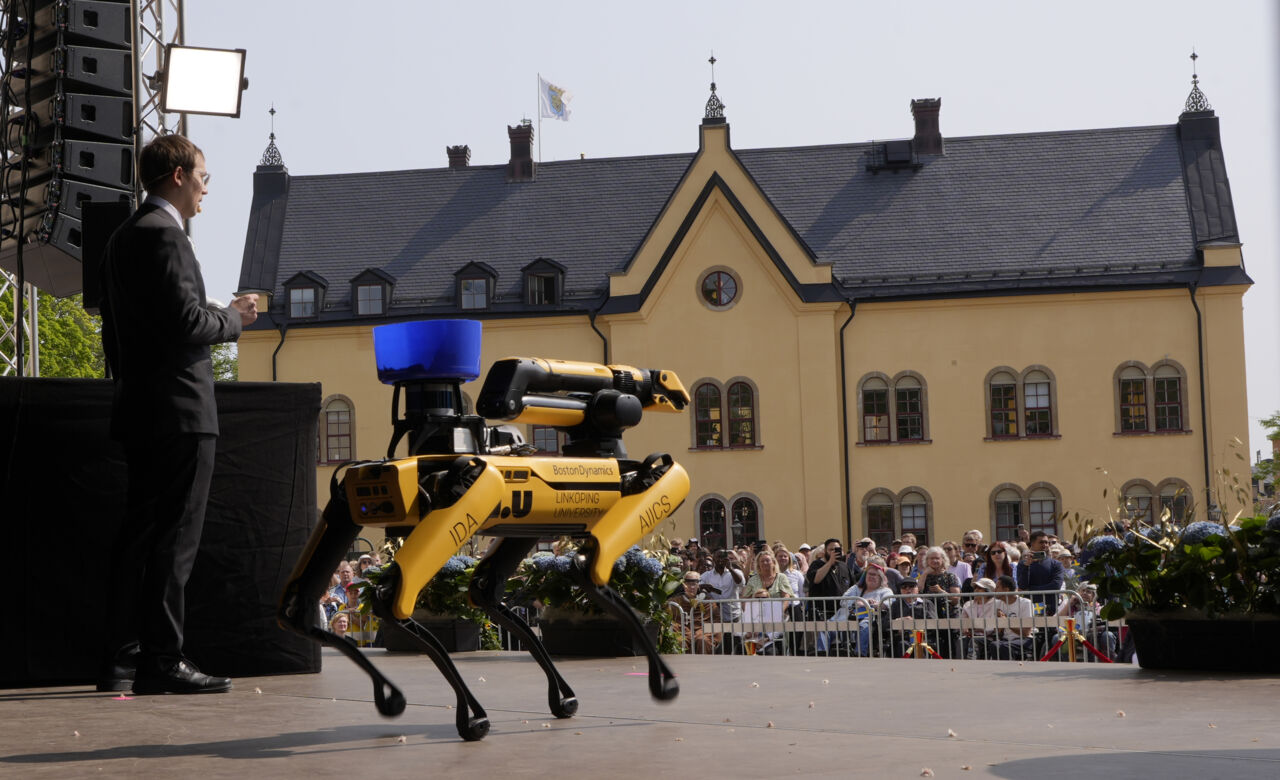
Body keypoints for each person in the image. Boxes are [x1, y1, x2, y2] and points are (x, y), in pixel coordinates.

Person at [98, 134, 257, 696]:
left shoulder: (122, 239)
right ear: (178, 176)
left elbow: (115, 334)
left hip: (140, 408)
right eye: (204, 177)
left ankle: (120, 658)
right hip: (182, 413)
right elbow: (187, 324)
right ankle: (163, 659)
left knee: (139, 537)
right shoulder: (166, 237)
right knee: (175, 540)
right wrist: (234, 319)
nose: (207, 189)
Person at [840, 564, 892, 656]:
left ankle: (860, 653)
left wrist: (867, 604)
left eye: (874, 575)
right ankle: (823, 652)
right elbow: (843, 601)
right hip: (852, 616)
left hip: (873, 619)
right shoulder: (856, 588)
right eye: (869, 574)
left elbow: (887, 604)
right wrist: (856, 602)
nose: (871, 577)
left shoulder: (885, 591)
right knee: (831, 623)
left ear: (880, 578)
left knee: (864, 626)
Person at [984, 575, 1038, 660]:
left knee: (1004, 647)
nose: (994, 590)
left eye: (997, 587)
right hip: (1006, 639)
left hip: (1024, 639)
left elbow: (1026, 632)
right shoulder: (997, 604)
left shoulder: (1026, 603)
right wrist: (999, 622)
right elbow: (998, 632)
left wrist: (1006, 622)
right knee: (994, 645)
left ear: (1006, 590)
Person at [1016, 530, 1066, 615]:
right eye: (1041, 542)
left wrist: (1031, 590)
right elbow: (1022, 585)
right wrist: (1027, 566)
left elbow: (1056, 585)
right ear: (1032, 544)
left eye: (1047, 542)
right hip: (1030, 607)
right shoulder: (1023, 564)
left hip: (1050, 607)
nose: (1045, 545)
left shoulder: (1056, 564)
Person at [669, 571, 718, 654]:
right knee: (679, 641)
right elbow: (671, 621)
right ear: (684, 585)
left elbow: (716, 621)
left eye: (694, 584)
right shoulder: (675, 602)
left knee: (702, 641)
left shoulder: (708, 602)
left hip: (702, 632)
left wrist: (700, 632)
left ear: (698, 585)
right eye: (688, 583)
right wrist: (685, 631)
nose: (691, 587)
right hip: (683, 632)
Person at [805, 538, 851, 619]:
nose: (834, 552)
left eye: (837, 549)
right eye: (831, 550)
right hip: (821, 614)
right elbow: (816, 579)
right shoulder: (816, 564)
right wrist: (830, 562)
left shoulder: (844, 566)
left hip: (841, 614)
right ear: (825, 551)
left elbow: (852, 585)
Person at [698, 549, 745, 622]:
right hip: (715, 616)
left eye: (723, 557)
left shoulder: (735, 572)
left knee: (735, 633)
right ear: (713, 559)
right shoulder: (706, 575)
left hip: (734, 615)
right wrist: (704, 587)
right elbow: (698, 587)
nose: (720, 560)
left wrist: (730, 568)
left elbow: (741, 583)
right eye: (718, 557)